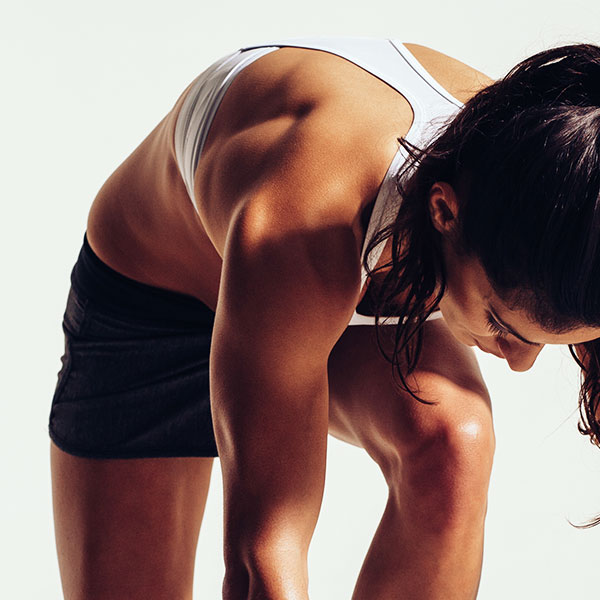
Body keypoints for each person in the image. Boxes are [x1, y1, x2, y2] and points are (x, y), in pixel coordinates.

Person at [48, 35, 600, 599]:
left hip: (335, 295)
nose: (520, 364)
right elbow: (261, 558)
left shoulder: (561, 197)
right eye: (501, 326)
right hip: (156, 307)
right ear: (443, 211)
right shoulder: (305, 217)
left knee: (455, 443)